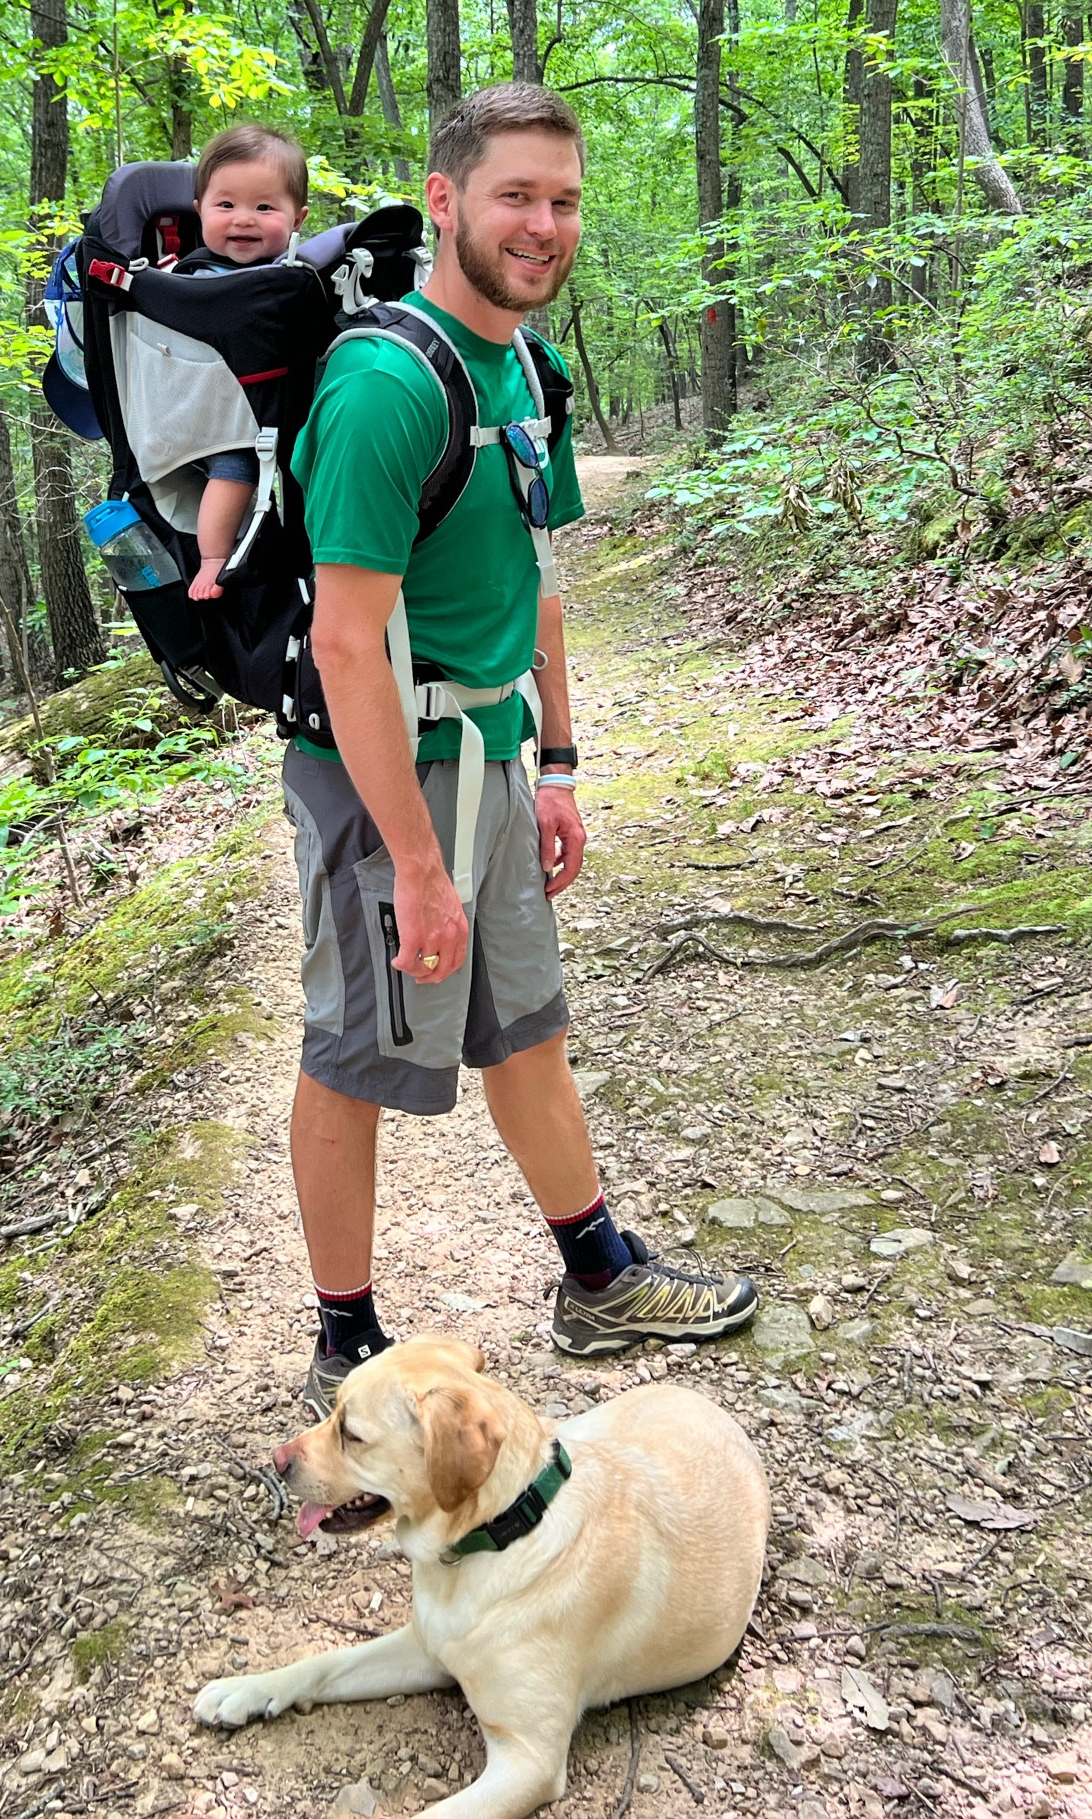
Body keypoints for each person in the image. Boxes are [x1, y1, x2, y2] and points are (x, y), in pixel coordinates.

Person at [284, 83, 759, 1418]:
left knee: (526, 1029)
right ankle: (344, 1343)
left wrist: (554, 760)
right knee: (354, 1055)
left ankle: (597, 1275)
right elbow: (342, 643)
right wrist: (420, 863)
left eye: (563, 200)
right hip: (388, 773)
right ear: (446, 202)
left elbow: (534, 571)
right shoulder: (385, 385)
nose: (545, 225)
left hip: (491, 748)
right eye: (517, 197)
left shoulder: (520, 370)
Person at [184, 125, 309, 602]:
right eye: (226, 205)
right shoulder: (195, 275)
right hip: (222, 417)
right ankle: (214, 557)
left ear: (298, 219)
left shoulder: (295, 275)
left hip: (284, 410)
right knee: (235, 470)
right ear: (199, 212)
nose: (244, 220)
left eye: (264, 207)